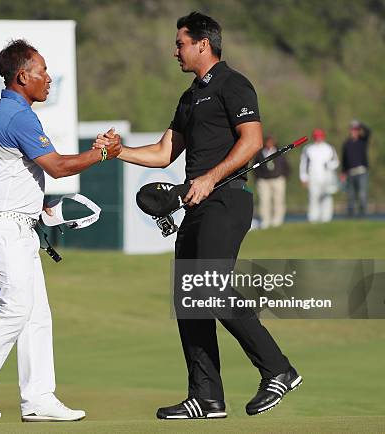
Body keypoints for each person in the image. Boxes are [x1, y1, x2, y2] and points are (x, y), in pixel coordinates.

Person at [109, 12, 301, 419]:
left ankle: (279, 369)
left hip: (226, 200)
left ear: (202, 44)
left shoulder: (235, 84)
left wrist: (211, 177)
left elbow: (250, 143)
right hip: (195, 204)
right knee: (190, 299)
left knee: (210, 287)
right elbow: (164, 154)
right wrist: (118, 151)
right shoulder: (189, 96)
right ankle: (207, 396)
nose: (174, 50)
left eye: (179, 43)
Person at [0, 39, 121, 422]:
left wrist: (32, 199)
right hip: (2, 228)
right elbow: (58, 166)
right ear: (22, 75)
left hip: (18, 226)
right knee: (15, 308)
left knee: (36, 316)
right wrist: (105, 153)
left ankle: (39, 398)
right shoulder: (17, 115)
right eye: (42, 72)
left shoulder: (4, 113)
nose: (48, 79)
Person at [299, 129, 339, 223]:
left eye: (320, 136)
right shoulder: (308, 149)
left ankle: (326, 219)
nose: (318, 139)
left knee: (327, 198)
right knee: (313, 198)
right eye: (317, 137)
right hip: (313, 178)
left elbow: (336, 162)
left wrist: (329, 165)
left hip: (327, 177)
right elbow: (303, 164)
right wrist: (303, 178)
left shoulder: (329, 148)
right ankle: (313, 219)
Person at [254, 136, 289, 228]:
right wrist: (258, 177)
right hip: (263, 181)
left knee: (278, 200)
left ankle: (277, 220)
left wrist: (284, 176)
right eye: (267, 142)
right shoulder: (260, 153)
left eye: (271, 142)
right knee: (264, 201)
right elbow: (255, 167)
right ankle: (265, 221)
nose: (269, 144)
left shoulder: (280, 152)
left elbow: (286, 165)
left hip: (278, 179)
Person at [342, 120, 371, 217]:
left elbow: (368, 132)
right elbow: (344, 159)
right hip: (350, 173)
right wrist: (343, 172)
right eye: (353, 130)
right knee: (351, 196)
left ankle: (362, 215)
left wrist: (360, 124)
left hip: (362, 172)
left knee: (362, 195)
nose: (354, 132)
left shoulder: (363, 141)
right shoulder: (347, 143)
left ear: (359, 131)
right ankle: (350, 215)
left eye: (356, 130)